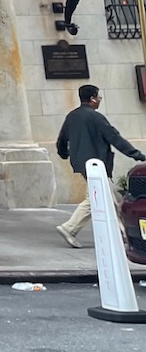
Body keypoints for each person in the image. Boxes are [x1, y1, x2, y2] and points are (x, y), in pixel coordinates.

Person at [55, 83, 145, 248]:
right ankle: (70, 228)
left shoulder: (72, 116)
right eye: (98, 97)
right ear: (92, 99)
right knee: (97, 198)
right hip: (97, 163)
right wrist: (137, 155)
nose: (99, 101)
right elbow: (115, 138)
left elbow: (62, 139)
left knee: (108, 199)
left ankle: (122, 235)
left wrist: (64, 153)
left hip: (82, 163)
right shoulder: (96, 118)